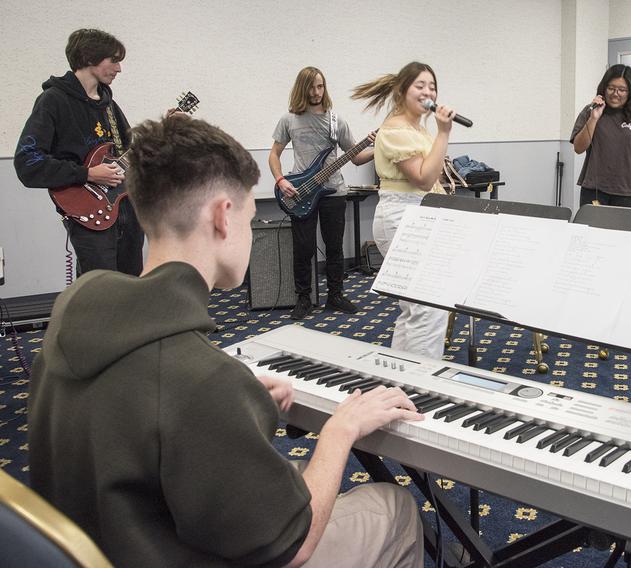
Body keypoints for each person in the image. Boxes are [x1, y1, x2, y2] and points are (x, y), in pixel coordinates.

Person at [27, 114, 425, 567]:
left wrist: (235, 408)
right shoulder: (202, 378)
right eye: (251, 219)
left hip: (112, 543)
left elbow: (140, 414)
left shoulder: (75, 304)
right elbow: (291, 547)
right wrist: (340, 430)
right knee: (393, 507)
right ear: (223, 216)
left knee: (294, 475)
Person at [14, 28, 143, 277]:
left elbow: (131, 155)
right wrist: (87, 174)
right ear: (88, 58)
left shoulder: (109, 105)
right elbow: (27, 162)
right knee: (100, 293)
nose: (119, 69)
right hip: (89, 213)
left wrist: (167, 131)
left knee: (131, 289)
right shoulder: (53, 101)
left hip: (127, 211)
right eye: (113, 60)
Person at [352, 62, 455, 359]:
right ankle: (417, 382)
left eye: (432, 87)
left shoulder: (416, 129)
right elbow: (423, 178)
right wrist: (444, 133)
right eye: (420, 86)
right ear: (402, 91)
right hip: (402, 217)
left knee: (419, 308)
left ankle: (404, 380)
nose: (428, 92)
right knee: (427, 307)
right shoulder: (395, 129)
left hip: (420, 215)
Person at [269, 67, 374, 319]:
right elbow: (274, 154)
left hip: (334, 191)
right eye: (311, 87)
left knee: (335, 246)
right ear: (301, 88)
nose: (316, 92)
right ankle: (303, 299)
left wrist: (378, 148)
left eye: (320, 86)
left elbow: (357, 158)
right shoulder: (289, 119)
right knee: (303, 249)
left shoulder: (337, 121)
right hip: (300, 191)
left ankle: (335, 296)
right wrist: (281, 179)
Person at [571, 63, 631, 210]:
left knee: (623, 233)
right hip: (594, 191)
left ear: (630, 92)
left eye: (622, 90)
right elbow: (578, 148)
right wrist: (594, 118)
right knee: (593, 232)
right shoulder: (590, 112)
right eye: (611, 88)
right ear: (604, 88)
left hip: (627, 193)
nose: (615, 93)